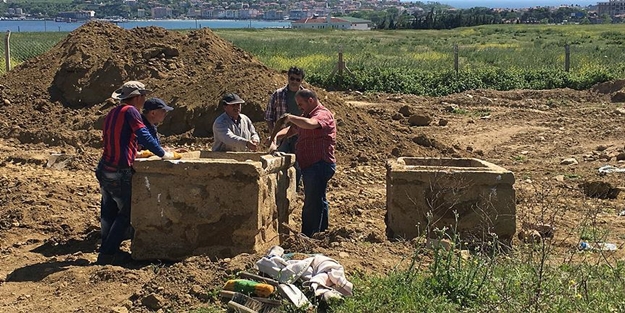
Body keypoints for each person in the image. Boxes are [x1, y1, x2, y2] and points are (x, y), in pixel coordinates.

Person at [95, 81, 180, 265]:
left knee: (108, 210)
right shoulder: (131, 111)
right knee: (127, 213)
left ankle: (106, 249)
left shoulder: (113, 112)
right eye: (143, 97)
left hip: (105, 167)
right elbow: (143, 135)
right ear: (138, 97)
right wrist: (163, 154)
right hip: (119, 169)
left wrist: (136, 152)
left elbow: (121, 139)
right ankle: (108, 253)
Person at [272, 89, 336, 237]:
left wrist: (290, 117)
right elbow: (292, 129)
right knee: (318, 199)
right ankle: (320, 233)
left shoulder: (322, 114)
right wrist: (274, 138)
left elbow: (311, 124)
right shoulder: (306, 115)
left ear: (311, 101)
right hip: (312, 165)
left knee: (312, 203)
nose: (299, 107)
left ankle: (308, 236)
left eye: (301, 104)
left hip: (319, 164)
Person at [264, 67, 305, 190]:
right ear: (288, 77)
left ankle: (294, 189)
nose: (294, 81)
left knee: (298, 164)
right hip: (281, 137)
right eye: (292, 78)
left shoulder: (305, 96)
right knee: (279, 162)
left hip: (299, 135)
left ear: (301, 80)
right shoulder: (278, 94)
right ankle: (278, 189)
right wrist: (274, 135)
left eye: (297, 79)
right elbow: (268, 116)